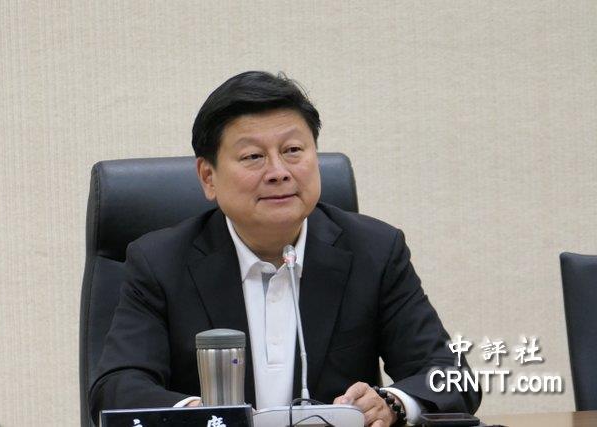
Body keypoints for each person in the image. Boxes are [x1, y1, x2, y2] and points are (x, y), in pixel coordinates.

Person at [89, 71, 481, 426]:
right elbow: (117, 386)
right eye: (253, 156)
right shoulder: (160, 262)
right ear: (208, 177)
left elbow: (450, 376)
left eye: (293, 150)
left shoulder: (375, 251)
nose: (279, 172)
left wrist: (391, 403)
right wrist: (202, 418)